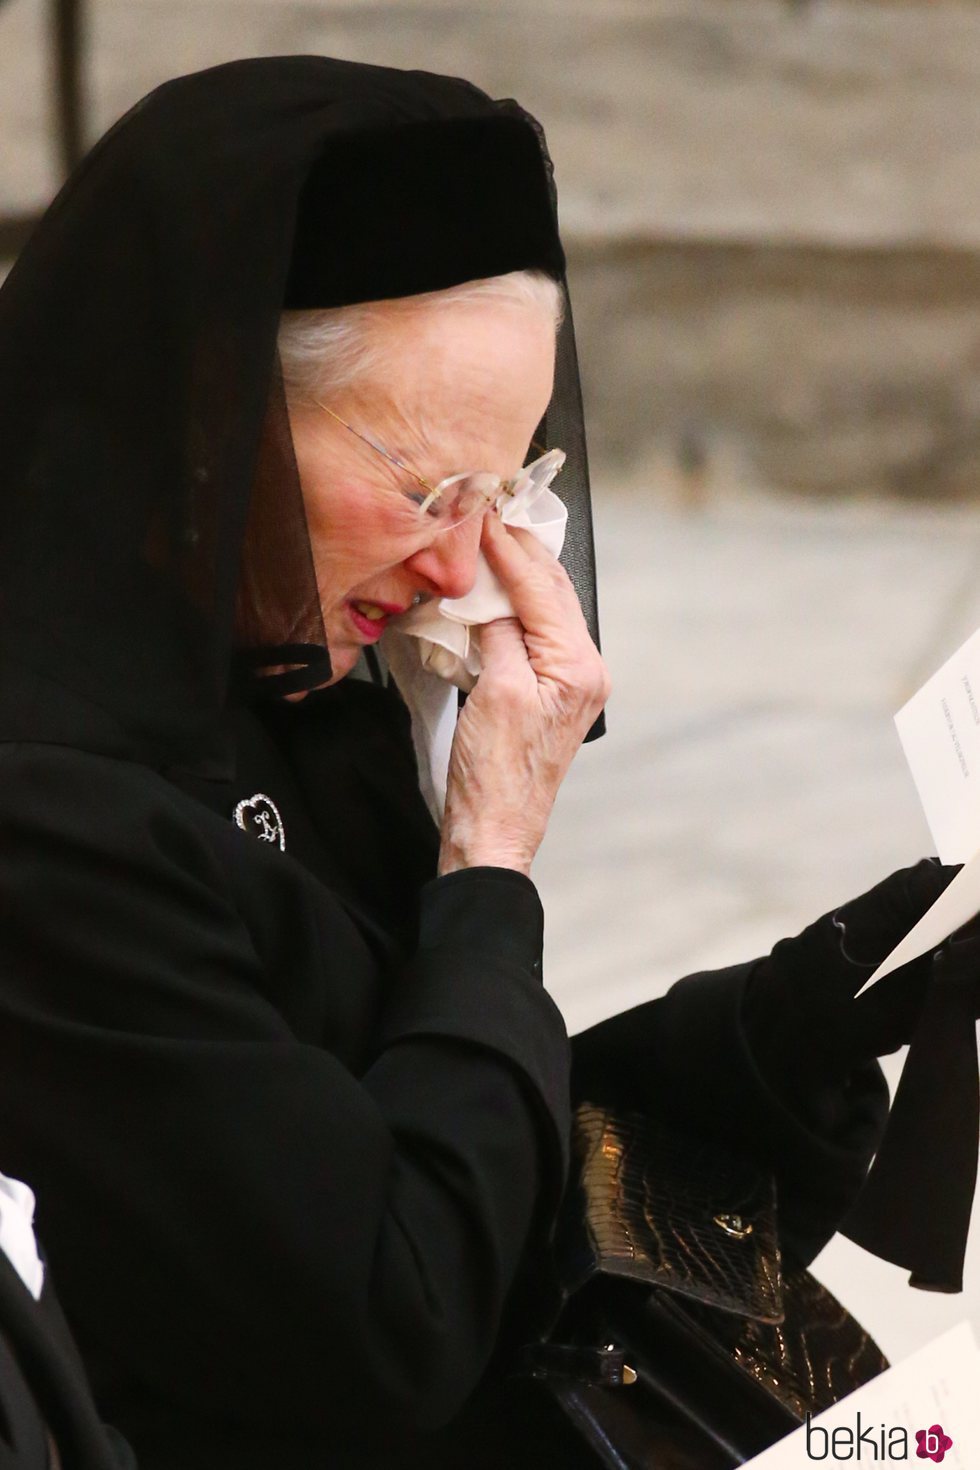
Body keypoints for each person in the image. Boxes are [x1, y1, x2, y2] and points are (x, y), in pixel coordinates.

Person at [0, 55, 976, 1470]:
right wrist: (487, 862)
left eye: (508, 484)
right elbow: (393, 1315)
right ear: (207, 418)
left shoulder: (282, 661)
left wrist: (756, 1046)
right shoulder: (48, 810)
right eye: (418, 490)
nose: (466, 565)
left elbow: (418, 1129)